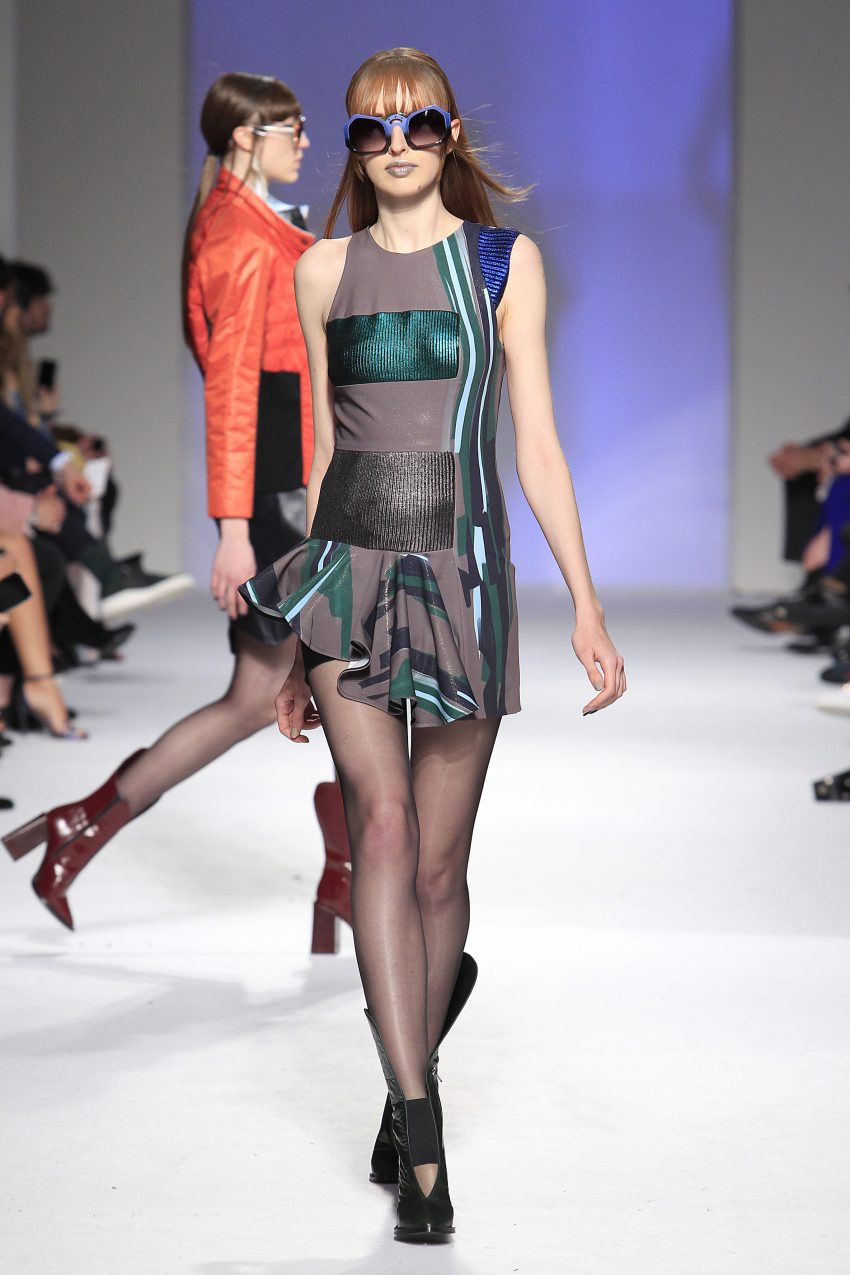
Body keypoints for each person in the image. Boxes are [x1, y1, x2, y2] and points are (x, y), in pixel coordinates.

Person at [239, 47, 626, 1242]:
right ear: (354, 147)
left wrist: (586, 601)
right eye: (371, 129)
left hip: (464, 574)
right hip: (348, 575)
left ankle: (414, 1045)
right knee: (384, 834)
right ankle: (419, 1131)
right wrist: (298, 630)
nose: (395, 145)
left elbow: (537, 443)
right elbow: (321, 456)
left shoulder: (503, 263)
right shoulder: (319, 268)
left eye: (418, 125)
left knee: (440, 871)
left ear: (449, 136)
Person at [2, 72, 343, 926]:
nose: (306, 140)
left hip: (288, 483)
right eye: (292, 127)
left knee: (270, 693)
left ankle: (83, 824)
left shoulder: (255, 224)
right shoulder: (238, 236)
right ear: (246, 137)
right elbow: (232, 392)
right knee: (346, 677)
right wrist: (233, 528)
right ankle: (351, 869)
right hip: (278, 495)